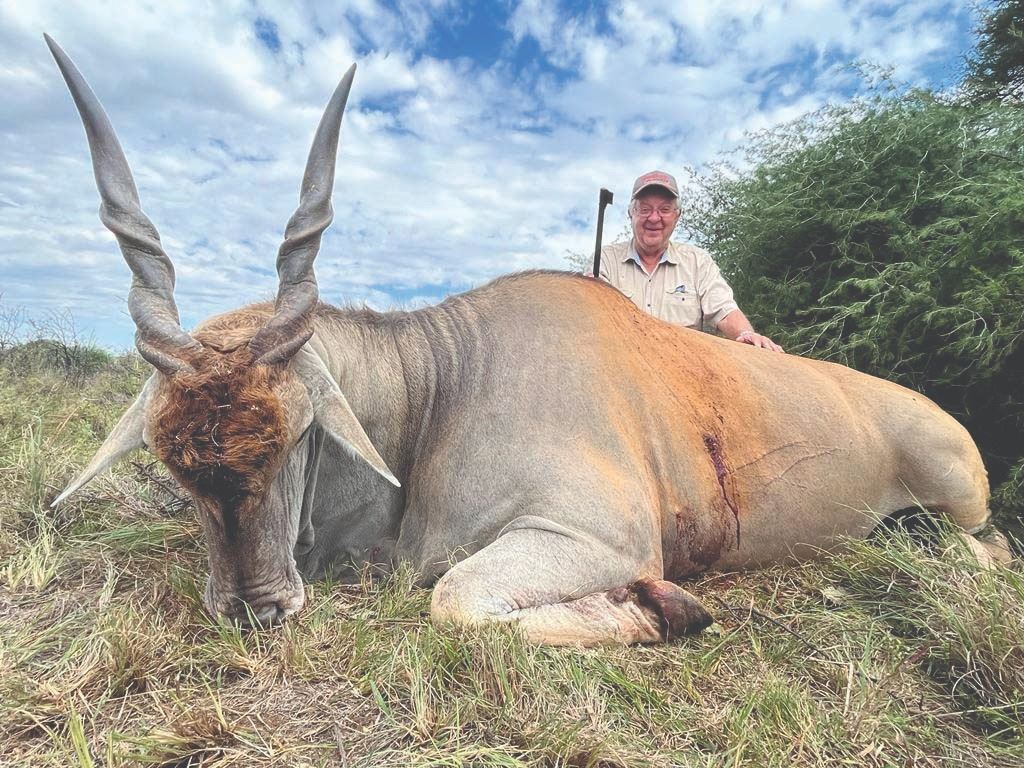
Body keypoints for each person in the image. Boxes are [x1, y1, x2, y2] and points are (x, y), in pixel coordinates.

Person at [596, 170, 784, 353]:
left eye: (664, 209)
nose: (654, 218)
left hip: (682, 367)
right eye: (645, 209)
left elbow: (724, 310)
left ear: (677, 215)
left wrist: (746, 334)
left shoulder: (698, 261)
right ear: (631, 213)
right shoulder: (605, 259)